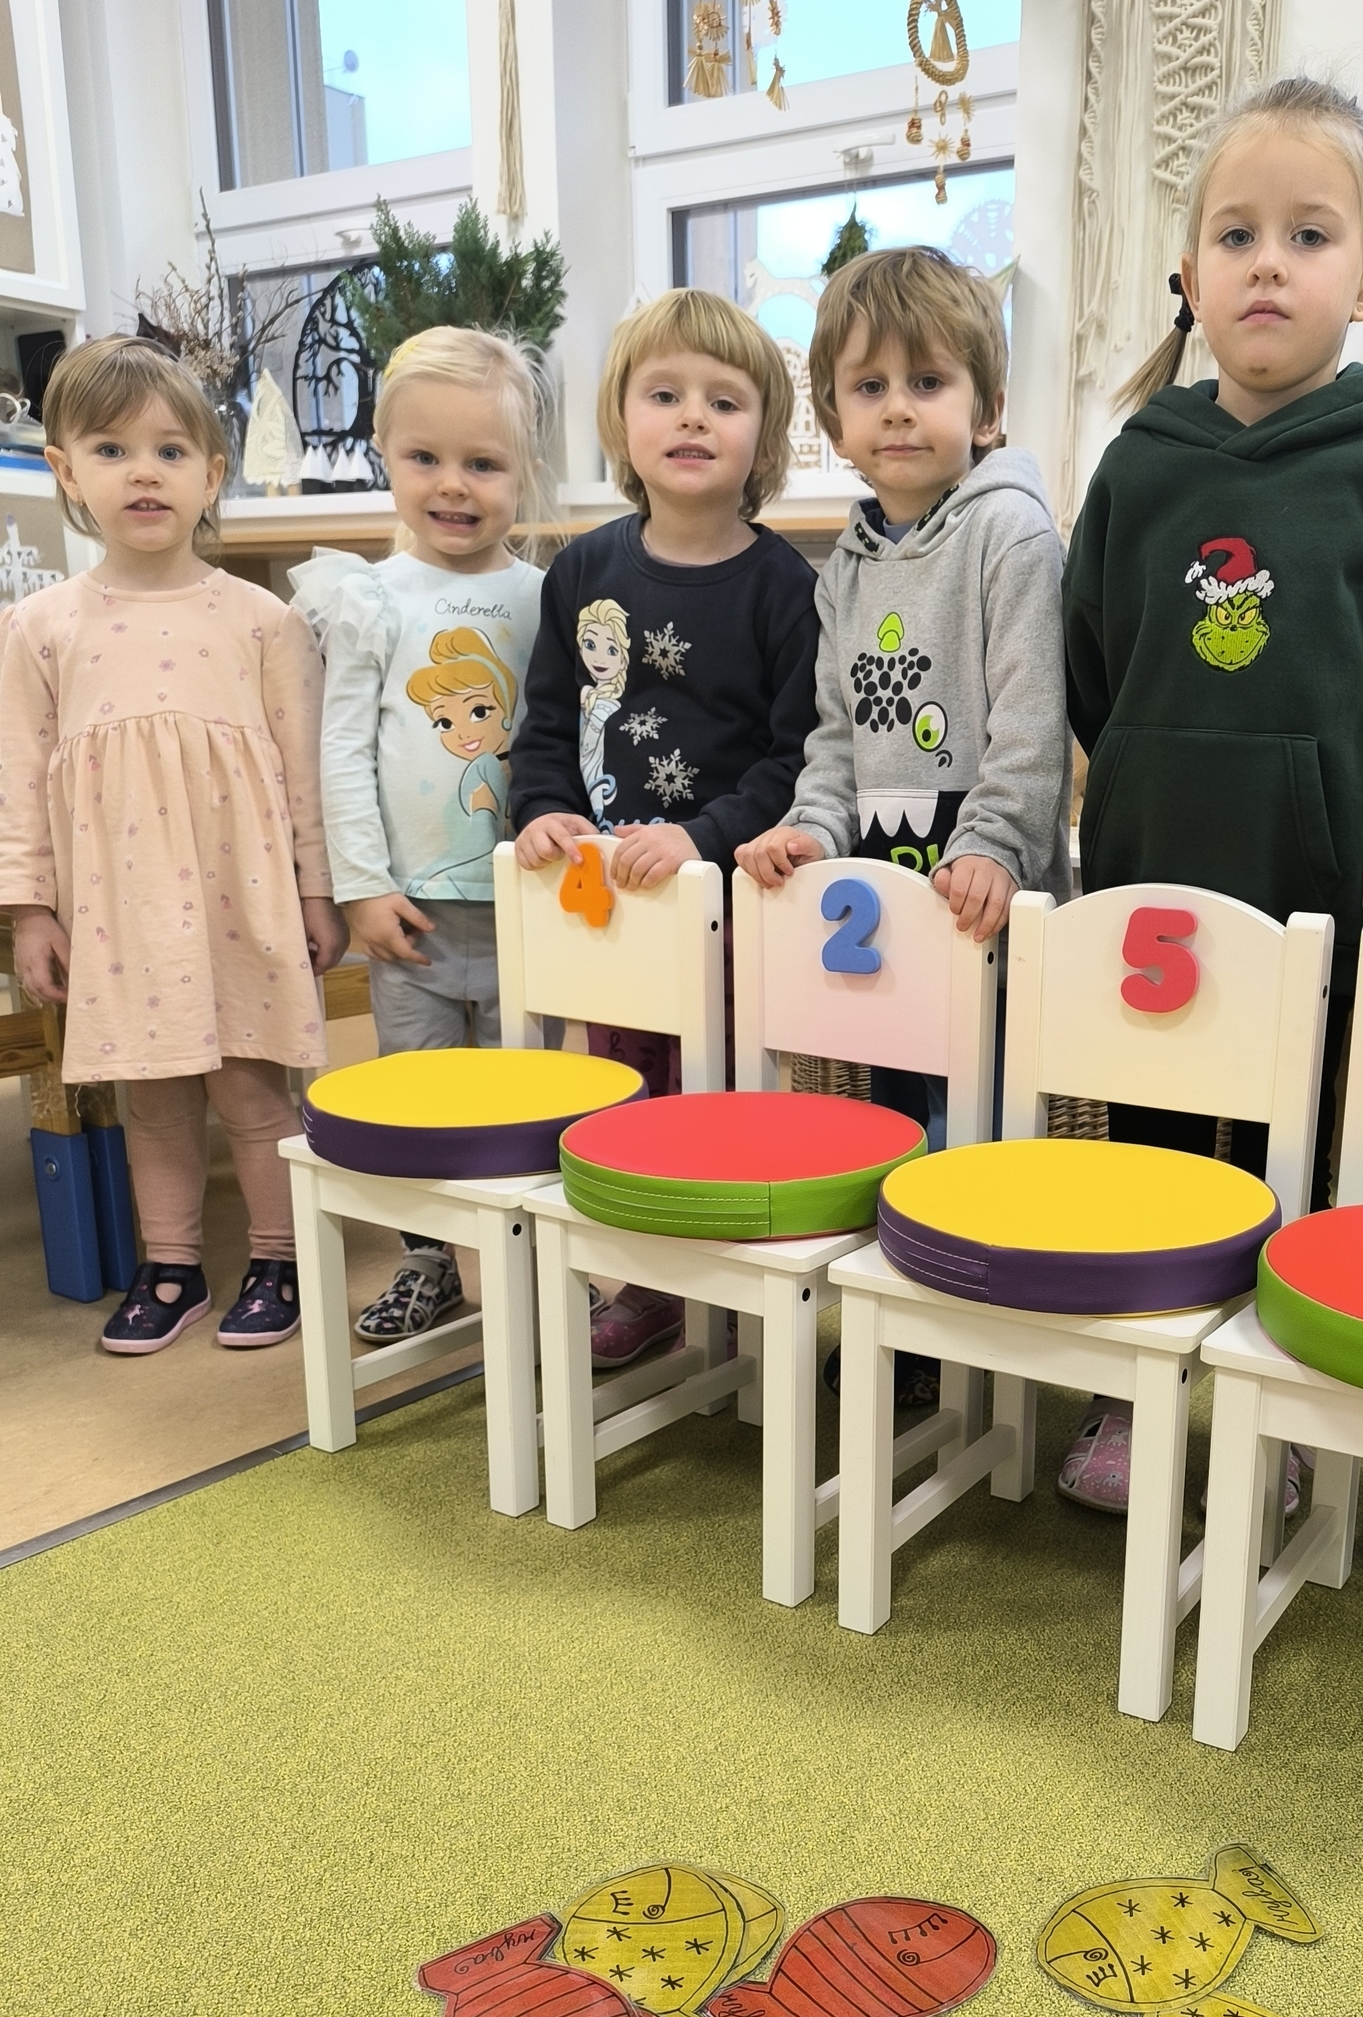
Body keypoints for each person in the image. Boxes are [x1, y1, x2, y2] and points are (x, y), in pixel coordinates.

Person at [1058, 77, 1363, 1509]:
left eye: (1307, 235)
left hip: (1323, 894)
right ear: (1189, 272)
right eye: (1234, 234)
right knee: (1149, 1157)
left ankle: (1281, 1418)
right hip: (1149, 892)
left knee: (1297, 1164)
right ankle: (1132, 1396)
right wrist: (1149, 777)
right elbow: (1092, 666)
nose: (1265, 264)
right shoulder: (1138, 464)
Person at [735, 244, 1072, 1410]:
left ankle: (974, 1318)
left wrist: (994, 844)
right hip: (878, 906)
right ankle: (906, 1323)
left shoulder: (1008, 534)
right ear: (832, 415)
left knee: (979, 1124)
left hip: (981, 896)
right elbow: (834, 736)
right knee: (890, 1112)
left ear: (984, 406)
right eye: (869, 387)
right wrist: (808, 831)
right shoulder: (844, 566)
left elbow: (1030, 721)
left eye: (927, 383)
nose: (896, 410)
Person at [0, 335, 345, 1353]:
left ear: (211, 474)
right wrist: (29, 910)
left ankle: (277, 1258)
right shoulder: (39, 626)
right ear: (65, 471)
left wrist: (317, 891)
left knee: (251, 1089)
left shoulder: (263, 622)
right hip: (120, 910)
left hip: (246, 901)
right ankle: (173, 1266)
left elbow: (305, 773)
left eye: (169, 451)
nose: (142, 473)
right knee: (149, 1098)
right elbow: (17, 777)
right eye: (110, 450)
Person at [511, 288, 820, 1369]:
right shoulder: (582, 572)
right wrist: (542, 808)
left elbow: (795, 756)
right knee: (626, 1102)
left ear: (763, 439)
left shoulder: (785, 586)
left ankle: (736, 1285)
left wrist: (703, 836)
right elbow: (546, 724)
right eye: (664, 395)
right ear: (621, 421)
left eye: (724, 401)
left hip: (731, 908)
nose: (692, 417)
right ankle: (647, 1286)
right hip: (608, 910)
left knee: (723, 1103)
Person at [292, 325, 551, 1343]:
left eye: (483, 463)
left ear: (522, 470)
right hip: (409, 919)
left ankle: (537, 1264)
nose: (453, 485)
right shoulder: (366, 599)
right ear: (384, 457)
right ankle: (427, 1259)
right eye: (424, 457)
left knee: (527, 1101)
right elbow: (342, 752)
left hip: (528, 917)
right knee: (416, 1102)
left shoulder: (545, 598)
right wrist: (359, 886)